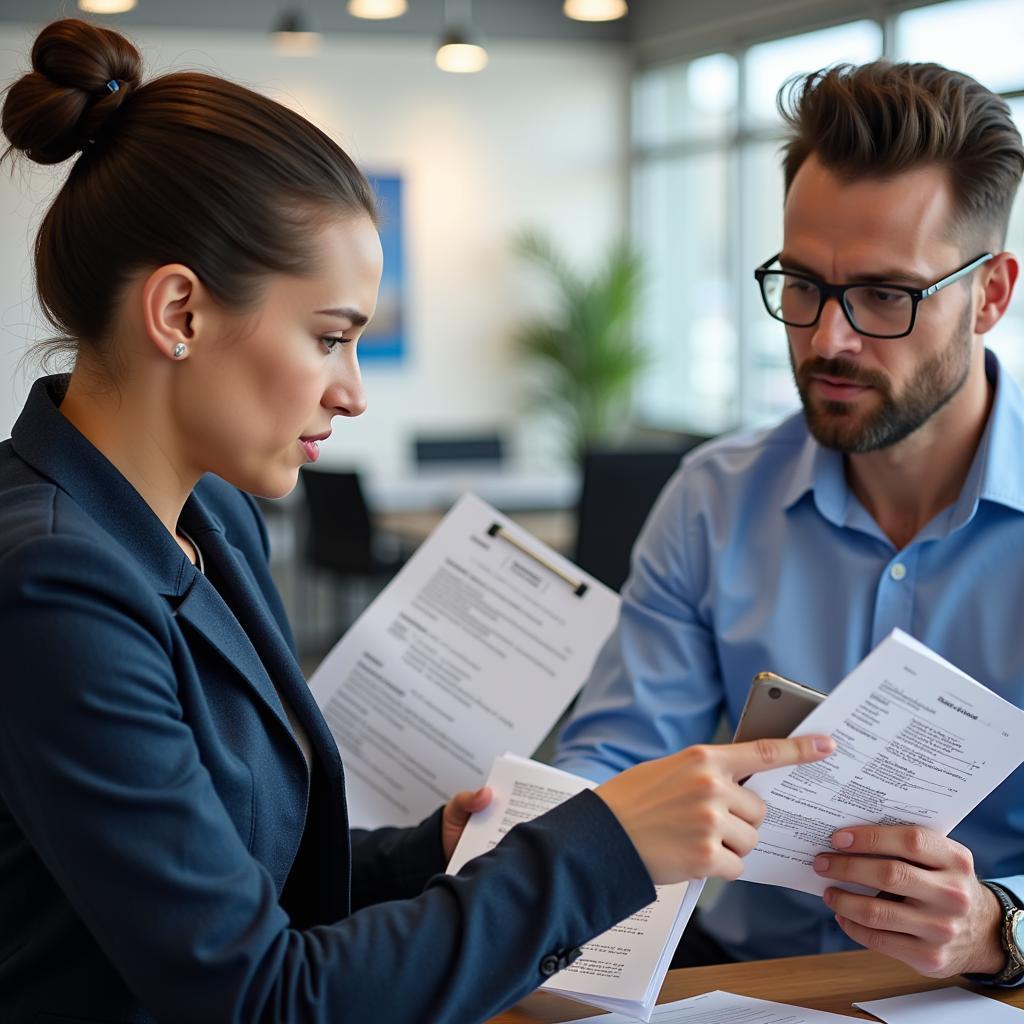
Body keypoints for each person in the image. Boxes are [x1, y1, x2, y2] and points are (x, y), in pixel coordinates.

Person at [0, 18, 835, 1024]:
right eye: (329, 337)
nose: (351, 393)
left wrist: (427, 852)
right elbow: (260, 996)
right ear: (179, 312)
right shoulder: (50, 584)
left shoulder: (211, 519)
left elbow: (237, 864)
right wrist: (603, 846)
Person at [555, 59, 1024, 984]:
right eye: (802, 284)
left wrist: (997, 929)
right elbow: (612, 762)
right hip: (741, 983)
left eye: (887, 295)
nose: (827, 340)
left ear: (991, 294)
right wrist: (541, 826)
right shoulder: (712, 500)